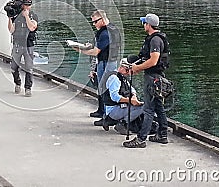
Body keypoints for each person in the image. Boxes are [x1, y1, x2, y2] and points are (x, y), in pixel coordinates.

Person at [123, 13, 170, 148]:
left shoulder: (155, 40)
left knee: (149, 109)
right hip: (158, 77)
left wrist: (136, 68)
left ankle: (141, 139)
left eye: (144, 23)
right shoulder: (158, 38)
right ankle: (162, 135)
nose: (143, 25)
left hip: (152, 78)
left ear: (148, 25)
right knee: (158, 107)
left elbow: (154, 60)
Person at [72, 10, 121, 125]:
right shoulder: (111, 29)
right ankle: (101, 110)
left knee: (105, 88)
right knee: (101, 86)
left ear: (102, 20)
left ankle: (106, 116)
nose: (94, 24)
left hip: (107, 62)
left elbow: (95, 52)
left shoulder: (105, 33)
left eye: (95, 22)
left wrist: (80, 50)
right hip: (107, 61)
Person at [100, 58, 144, 133]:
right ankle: (122, 123)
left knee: (141, 104)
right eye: (130, 71)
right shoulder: (114, 78)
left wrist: (134, 96)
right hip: (113, 109)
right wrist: (130, 101)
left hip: (120, 107)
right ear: (123, 68)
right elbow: (114, 97)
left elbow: (131, 89)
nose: (130, 73)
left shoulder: (122, 78)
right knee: (144, 107)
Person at [7, 0, 38, 97]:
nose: (27, 7)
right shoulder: (17, 16)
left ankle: (28, 88)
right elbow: (11, 30)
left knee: (29, 68)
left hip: (29, 45)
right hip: (17, 44)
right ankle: (17, 82)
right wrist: (10, 18)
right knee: (13, 67)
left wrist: (27, 17)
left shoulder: (34, 16)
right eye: (25, 5)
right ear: (22, 5)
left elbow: (32, 27)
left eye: (29, 5)